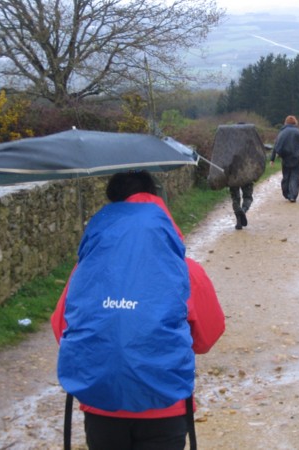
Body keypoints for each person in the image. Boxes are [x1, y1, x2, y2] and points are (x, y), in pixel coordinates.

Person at [51, 171, 225, 450]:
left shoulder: (85, 271)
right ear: (160, 209)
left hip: (101, 407)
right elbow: (207, 337)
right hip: (165, 407)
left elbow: (63, 331)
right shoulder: (184, 270)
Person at [270, 115, 299, 202]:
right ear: (295, 122)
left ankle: (286, 193)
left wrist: (272, 159)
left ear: (285, 122)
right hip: (296, 158)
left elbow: (276, 146)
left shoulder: (282, 132)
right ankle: (293, 196)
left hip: (285, 158)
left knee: (286, 176)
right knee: (295, 176)